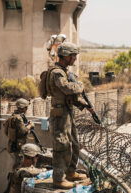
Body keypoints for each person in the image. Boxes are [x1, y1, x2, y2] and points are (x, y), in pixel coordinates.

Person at [46, 42, 91, 189]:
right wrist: (80, 86)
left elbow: (70, 95)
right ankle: (58, 179)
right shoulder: (57, 72)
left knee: (75, 144)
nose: (75, 59)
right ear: (65, 56)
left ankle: (70, 172)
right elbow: (66, 88)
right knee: (61, 146)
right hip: (59, 115)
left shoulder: (65, 71)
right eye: (73, 56)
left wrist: (82, 104)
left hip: (67, 112)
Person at [4, 98, 35, 170]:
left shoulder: (13, 116)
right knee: (18, 165)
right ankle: (15, 180)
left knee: (17, 164)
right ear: (23, 108)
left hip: (14, 144)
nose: (27, 109)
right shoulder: (18, 118)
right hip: (18, 146)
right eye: (26, 107)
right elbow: (23, 131)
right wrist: (30, 125)